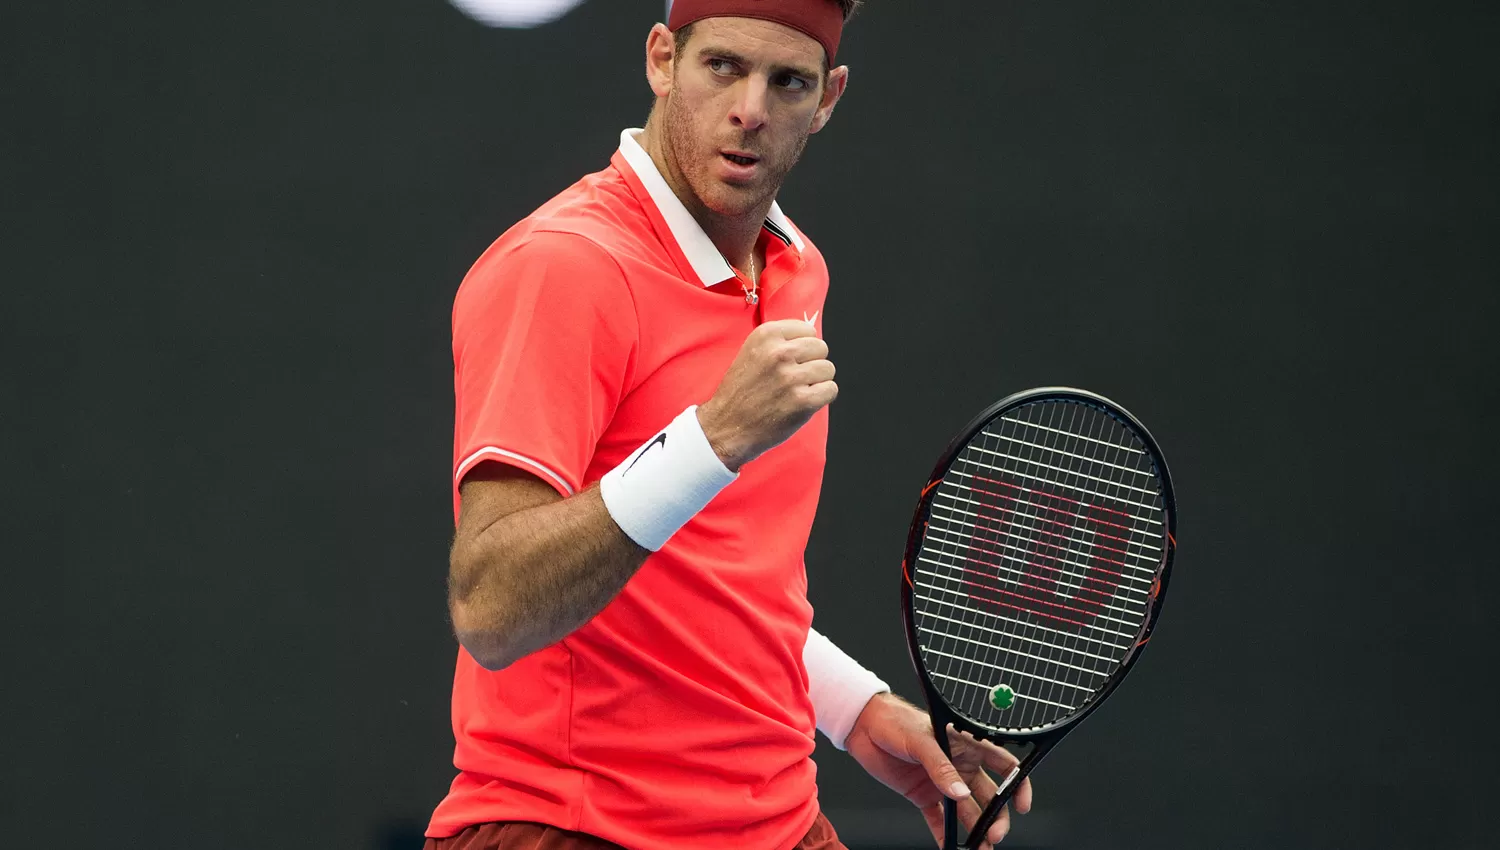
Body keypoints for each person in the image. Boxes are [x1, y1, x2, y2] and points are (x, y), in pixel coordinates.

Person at [426, 2, 1033, 848]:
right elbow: (490, 610)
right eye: (722, 67)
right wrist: (710, 438)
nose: (752, 107)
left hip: (777, 822)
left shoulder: (793, 270)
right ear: (662, 59)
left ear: (828, 101)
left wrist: (855, 710)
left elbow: (711, 583)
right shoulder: (563, 268)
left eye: (788, 82)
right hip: (573, 828)